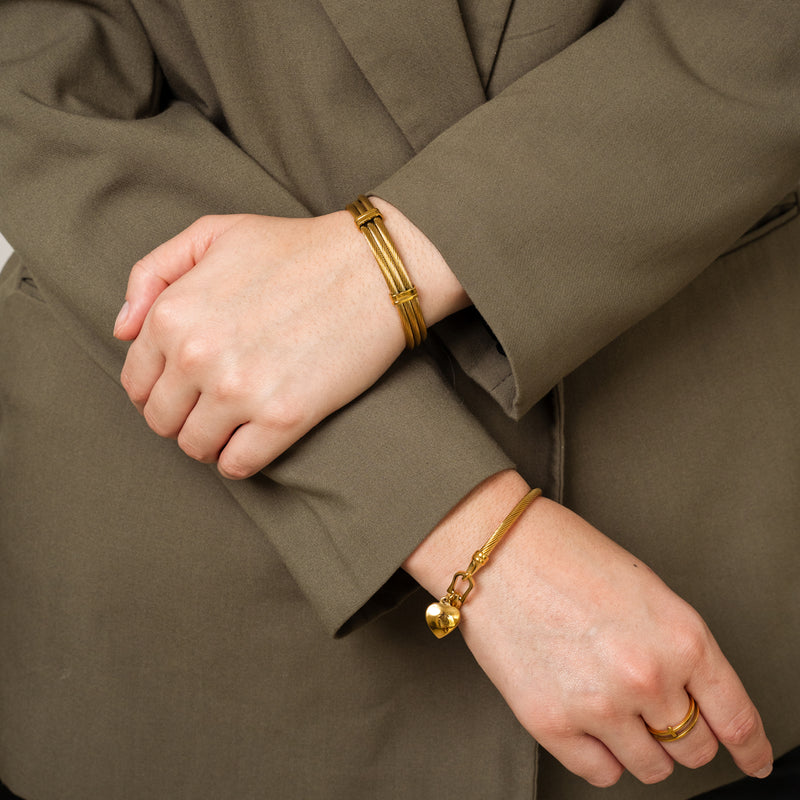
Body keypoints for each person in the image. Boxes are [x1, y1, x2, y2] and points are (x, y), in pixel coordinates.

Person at [1, 1, 798, 798]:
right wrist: (464, 527)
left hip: (719, 535)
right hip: (198, 608)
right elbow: (32, 74)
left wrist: (401, 260)